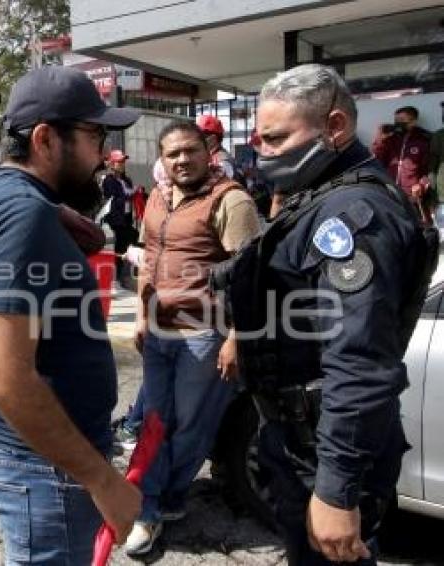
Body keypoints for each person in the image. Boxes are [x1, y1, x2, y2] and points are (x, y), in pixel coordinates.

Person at [216, 64, 437, 565]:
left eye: (275, 139)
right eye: (259, 139)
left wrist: (336, 490)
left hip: (323, 449)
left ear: (334, 127)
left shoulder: (352, 216)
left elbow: (359, 362)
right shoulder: (318, 198)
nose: (262, 151)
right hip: (296, 439)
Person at [0, 66, 143, 564]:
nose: (102, 153)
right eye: (94, 135)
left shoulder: (2, 193)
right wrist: (102, 479)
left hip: (34, 457)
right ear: (44, 138)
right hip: (46, 467)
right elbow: (3, 377)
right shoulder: (23, 212)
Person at [125, 120, 261, 556]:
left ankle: (167, 498)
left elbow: (250, 275)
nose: (182, 160)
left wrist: (237, 337)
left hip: (205, 333)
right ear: (163, 159)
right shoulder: (157, 199)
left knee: (189, 426)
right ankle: (149, 504)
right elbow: (148, 260)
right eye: (172, 154)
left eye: (190, 151)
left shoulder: (231, 200)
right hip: (160, 331)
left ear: (208, 150)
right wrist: (142, 316)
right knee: (153, 423)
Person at [372, 106, 432, 220]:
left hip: (413, 197)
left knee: (415, 229)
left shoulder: (424, 140)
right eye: (396, 121)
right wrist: (380, 140)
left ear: (413, 122)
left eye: (402, 121)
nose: (398, 124)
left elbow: (429, 170)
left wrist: (421, 186)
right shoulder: (391, 139)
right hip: (391, 193)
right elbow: (377, 160)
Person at [101, 149, 137, 284]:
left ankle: (122, 274)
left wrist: (138, 194)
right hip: (115, 219)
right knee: (124, 241)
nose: (122, 164)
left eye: (123, 162)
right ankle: (117, 276)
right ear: (112, 164)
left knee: (131, 238)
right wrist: (128, 195)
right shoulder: (108, 180)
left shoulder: (126, 180)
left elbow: (129, 194)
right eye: (119, 162)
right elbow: (112, 199)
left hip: (126, 217)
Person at [196, 114, 236, 180]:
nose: (196, 140)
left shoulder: (222, 162)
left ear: (213, 139)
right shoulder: (211, 157)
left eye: (200, 137)